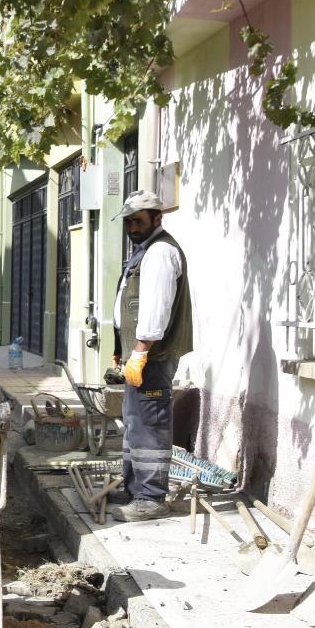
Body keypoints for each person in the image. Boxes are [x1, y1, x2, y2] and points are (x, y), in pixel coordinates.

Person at [110, 190, 193, 522]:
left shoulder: (160, 252)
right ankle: (134, 488)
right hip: (140, 354)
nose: (132, 227)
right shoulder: (144, 251)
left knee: (150, 426)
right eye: (129, 221)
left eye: (138, 221)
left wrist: (141, 351)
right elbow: (128, 306)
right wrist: (123, 350)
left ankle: (151, 497)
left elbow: (155, 309)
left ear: (157, 218)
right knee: (135, 424)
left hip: (152, 357)